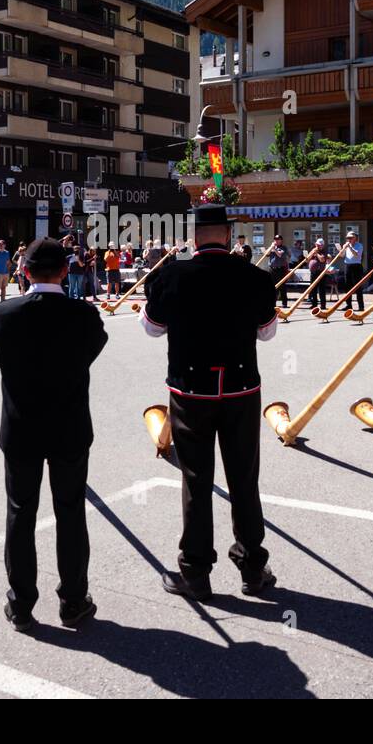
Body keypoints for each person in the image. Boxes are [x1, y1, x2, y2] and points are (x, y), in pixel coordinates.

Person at [141, 204, 279, 600]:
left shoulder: (171, 274)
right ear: (228, 234)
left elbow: (151, 328)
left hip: (191, 390)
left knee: (196, 481)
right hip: (240, 389)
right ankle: (253, 567)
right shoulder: (255, 277)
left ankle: (196, 571)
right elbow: (267, 334)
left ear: (194, 236)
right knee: (243, 480)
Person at [0, 238, 108, 631]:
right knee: (70, 512)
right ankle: (73, 600)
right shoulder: (84, 316)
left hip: (22, 428)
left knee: (21, 512)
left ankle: (21, 603)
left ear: (25, 271)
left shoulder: (3, 314)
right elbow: (92, 350)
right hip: (69, 427)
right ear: (65, 271)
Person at [340, 230, 366, 311]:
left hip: (356, 266)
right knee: (347, 287)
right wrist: (342, 249)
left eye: (350, 238)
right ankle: (349, 305)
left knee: (358, 286)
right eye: (348, 238)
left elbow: (356, 255)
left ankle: (361, 306)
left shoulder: (359, 245)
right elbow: (341, 255)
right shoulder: (346, 245)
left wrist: (350, 247)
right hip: (348, 265)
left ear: (355, 238)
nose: (349, 239)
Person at [266, 233, 291, 308]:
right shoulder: (272, 247)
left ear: (281, 240)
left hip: (280, 269)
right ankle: (273, 303)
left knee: (282, 286)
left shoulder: (284, 248)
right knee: (272, 287)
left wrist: (275, 249)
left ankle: (284, 303)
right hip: (272, 269)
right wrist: (271, 248)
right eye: (275, 239)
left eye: (278, 239)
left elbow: (280, 255)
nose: (276, 241)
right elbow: (266, 254)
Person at [307, 238, 328, 311]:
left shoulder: (324, 252)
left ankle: (323, 305)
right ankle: (314, 304)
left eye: (319, 245)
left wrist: (317, 254)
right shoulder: (313, 250)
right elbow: (307, 259)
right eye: (316, 244)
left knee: (322, 289)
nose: (317, 246)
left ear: (322, 245)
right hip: (313, 272)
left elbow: (322, 260)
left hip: (320, 272)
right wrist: (312, 253)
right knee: (313, 289)